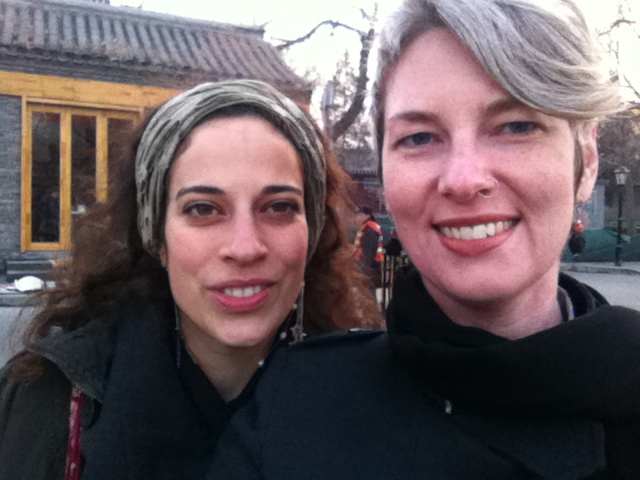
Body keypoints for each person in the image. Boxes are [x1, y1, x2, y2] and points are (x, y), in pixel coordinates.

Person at [206, 1, 640, 478]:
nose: (463, 179)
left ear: (587, 161)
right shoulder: (293, 411)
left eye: (517, 126)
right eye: (418, 137)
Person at [0, 80, 381, 480]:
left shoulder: (370, 401)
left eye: (279, 207)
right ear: (157, 236)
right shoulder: (49, 402)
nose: (245, 247)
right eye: (203, 209)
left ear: (313, 231)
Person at [353, 205, 384, 289]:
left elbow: (369, 253)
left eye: (359, 215)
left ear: (367, 215)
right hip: (371, 269)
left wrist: (363, 271)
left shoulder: (370, 229)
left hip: (370, 270)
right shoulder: (368, 227)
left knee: (369, 293)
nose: (357, 217)